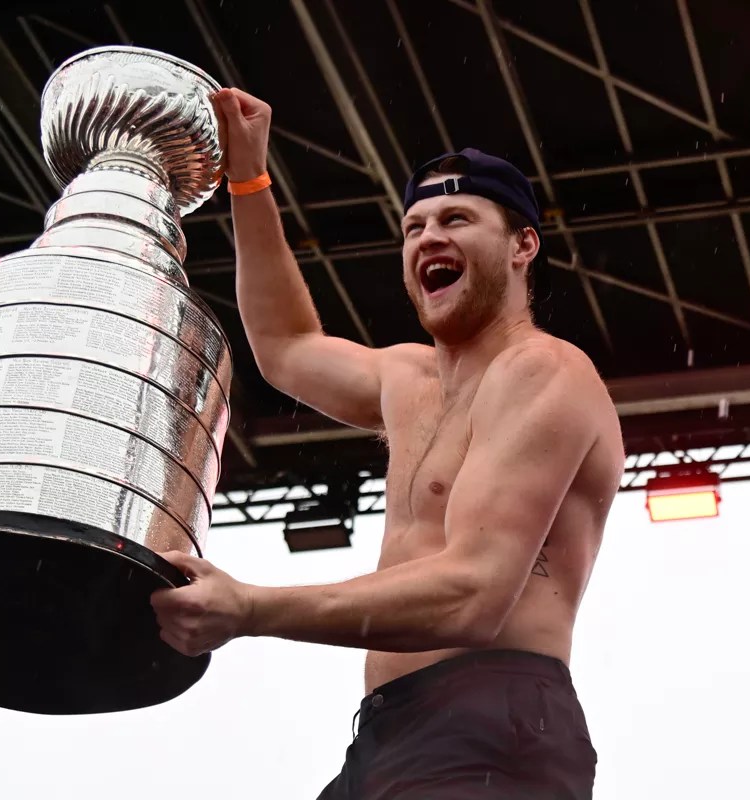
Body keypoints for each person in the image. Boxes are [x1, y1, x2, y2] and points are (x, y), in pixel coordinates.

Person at [150, 87, 626, 799]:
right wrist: (249, 180)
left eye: (457, 219)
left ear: (524, 244)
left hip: (494, 721)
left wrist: (250, 608)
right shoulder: (405, 376)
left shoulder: (545, 370)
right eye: (414, 226)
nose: (429, 236)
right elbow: (285, 346)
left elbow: (475, 594)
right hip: (387, 732)